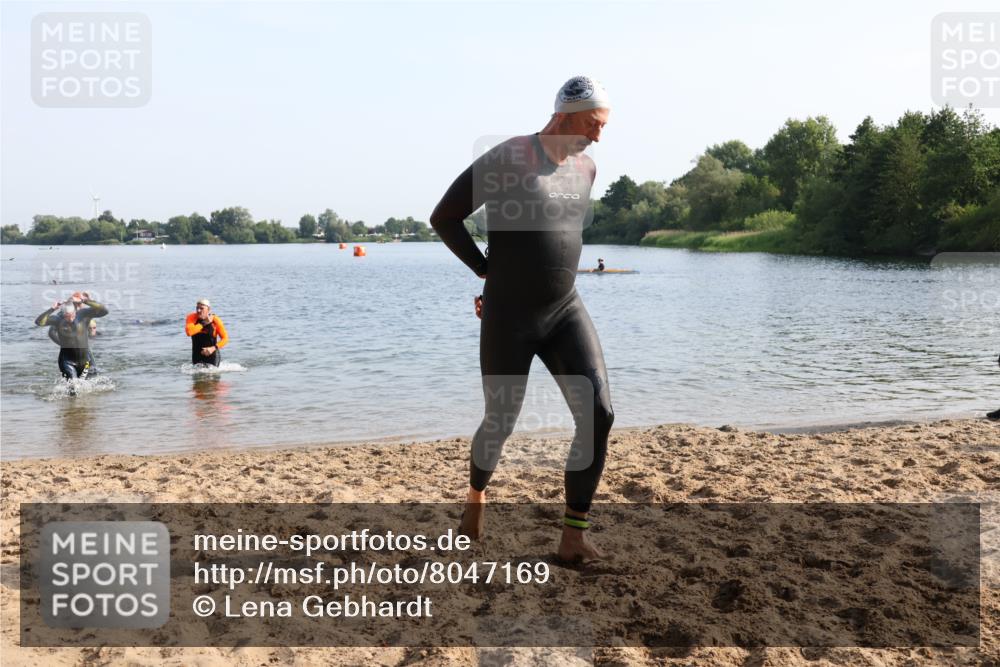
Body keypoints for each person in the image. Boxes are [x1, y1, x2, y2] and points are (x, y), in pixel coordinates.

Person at [430, 76, 614, 562]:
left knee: (599, 413)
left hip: (565, 308)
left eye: (603, 127)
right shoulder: (510, 157)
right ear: (564, 116)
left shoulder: (587, 168)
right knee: (500, 421)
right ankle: (476, 495)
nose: (597, 136)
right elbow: (444, 217)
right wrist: (484, 270)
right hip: (509, 313)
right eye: (592, 124)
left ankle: (573, 537)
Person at [35, 291, 108, 381]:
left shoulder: (83, 315)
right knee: (74, 386)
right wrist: (52, 309)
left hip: (85, 359)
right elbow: (40, 323)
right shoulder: (59, 318)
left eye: (72, 316)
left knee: (92, 383)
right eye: (67, 316)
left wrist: (85, 300)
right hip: (68, 361)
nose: (70, 319)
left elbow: (104, 311)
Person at [185, 299, 228, 367]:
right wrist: (204, 323)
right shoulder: (191, 317)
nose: (198, 310)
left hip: (212, 355)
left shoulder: (215, 320)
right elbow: (189, 332)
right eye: (197, 308)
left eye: (201, 308)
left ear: (208, 309)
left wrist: (213, 348)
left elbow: (225, 339)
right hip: (196, 355)